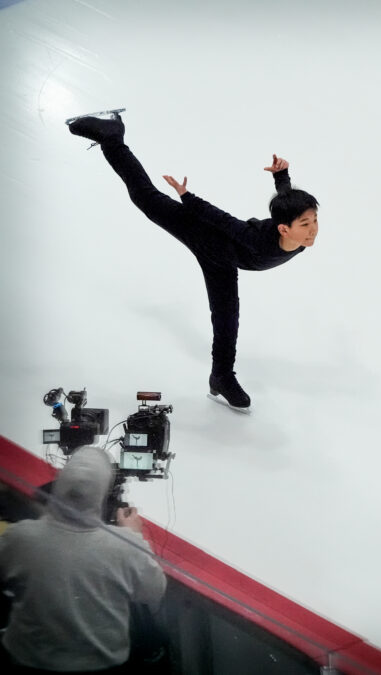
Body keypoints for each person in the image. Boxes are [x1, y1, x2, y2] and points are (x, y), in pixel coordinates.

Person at [67, 112, 319, 410]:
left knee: (227, 320)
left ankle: (221, 377)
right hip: (204, 233)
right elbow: (223, 221)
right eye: (306, 224)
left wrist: (281, 175)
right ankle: (113, 138)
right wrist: (188, 198)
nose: (313, 229)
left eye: (314, 219)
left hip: (224, 262)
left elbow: (287, 200)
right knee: (145, 198)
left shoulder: (298, 232)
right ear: (284, 229)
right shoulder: (258, 240)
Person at [0, 447, 166, 673]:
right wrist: (134, 535)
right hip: (100, 666)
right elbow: (154, 591)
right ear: (102, 495)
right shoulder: (125, 545)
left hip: (26, 661)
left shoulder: (18, 537)